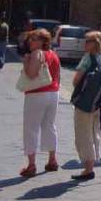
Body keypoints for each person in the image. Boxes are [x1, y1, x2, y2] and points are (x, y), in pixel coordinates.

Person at [70, 31, 101, 181]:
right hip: (99, 103)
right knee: (95, 134)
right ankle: (91, 166)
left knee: (83, 135)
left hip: (84, 104)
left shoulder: (87, 59)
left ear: (96, 43)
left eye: (88, 41)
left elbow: (76, 81)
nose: (84, 43)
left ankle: (88, 169)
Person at [20, 28, 60, 177]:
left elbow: (31, 74)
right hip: (53, 93)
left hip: (37, 94)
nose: (31, 42)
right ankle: (52, 159)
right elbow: (58, 76)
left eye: (34, 39)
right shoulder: (54, 55)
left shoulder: (37, 54)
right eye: (30, 39)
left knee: (31, 128)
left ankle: (31, 165)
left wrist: (26, 63)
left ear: (43, 41)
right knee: (49, 125)